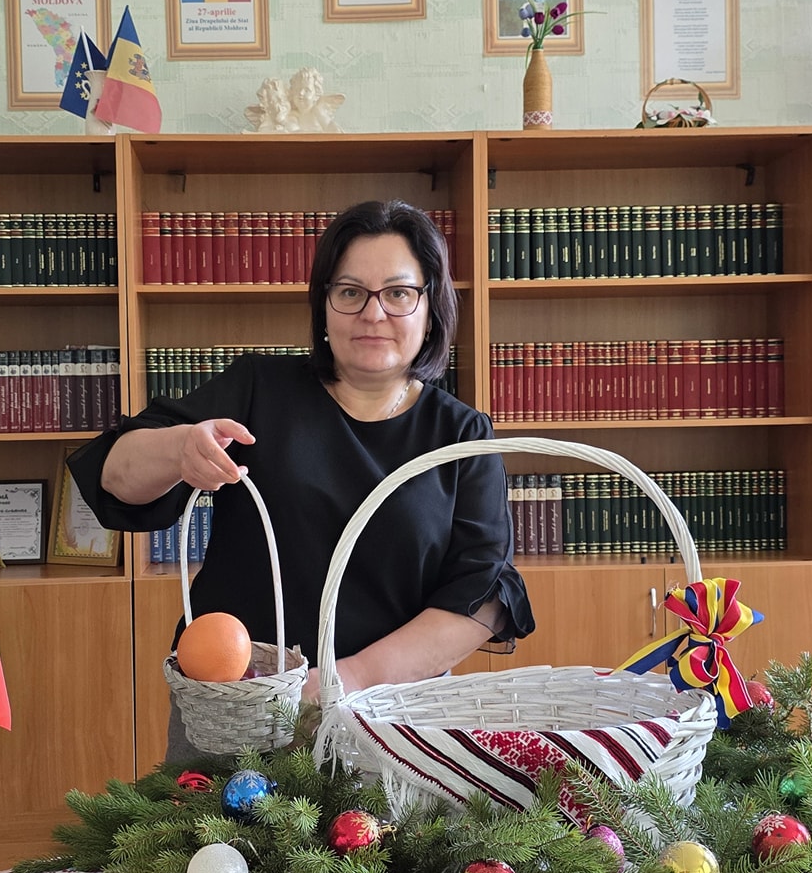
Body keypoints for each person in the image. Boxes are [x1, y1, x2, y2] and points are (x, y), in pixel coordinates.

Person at [66, 199, 534, 753]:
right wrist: (178, 449)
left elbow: (483, 594)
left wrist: (345, 680)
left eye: (398, 293)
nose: (373, 313)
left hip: (393, 718)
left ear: (431, 308)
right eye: (350, 292)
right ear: (324, 306)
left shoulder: (461, 433)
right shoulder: (259, 389)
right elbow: (115, 474)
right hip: (241, 707)